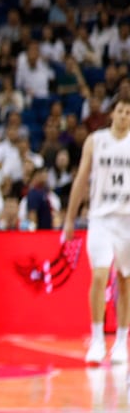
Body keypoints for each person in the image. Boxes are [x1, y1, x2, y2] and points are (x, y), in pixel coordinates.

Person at [62, 95, 130, 365]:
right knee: (100, 276)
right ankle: (98, 339)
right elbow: (80, 179)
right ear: (112, 113)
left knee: (125, 282)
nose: (124, 116)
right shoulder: (96, 141)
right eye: (121, 111)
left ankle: (122, 341)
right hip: (100, 218)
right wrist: (69, 218)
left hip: (127, 219)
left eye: (129, 112)